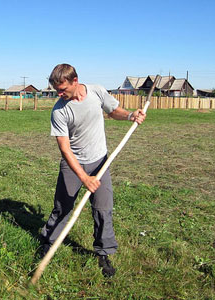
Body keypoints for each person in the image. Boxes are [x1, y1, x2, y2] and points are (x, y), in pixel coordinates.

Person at [39, 63, 146, 277]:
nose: (59, 94)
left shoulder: (96, 91)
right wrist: (84, 177)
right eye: (56, 90)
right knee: (63, 206)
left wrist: (130, 116)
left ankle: (103, 254)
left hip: (100, 162)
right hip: (74, 164)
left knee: (103, 208)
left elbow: (113, 111)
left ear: (75, 81)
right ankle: (48, 243)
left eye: (62, 89)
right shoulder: (59, 110)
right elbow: (65, 149)